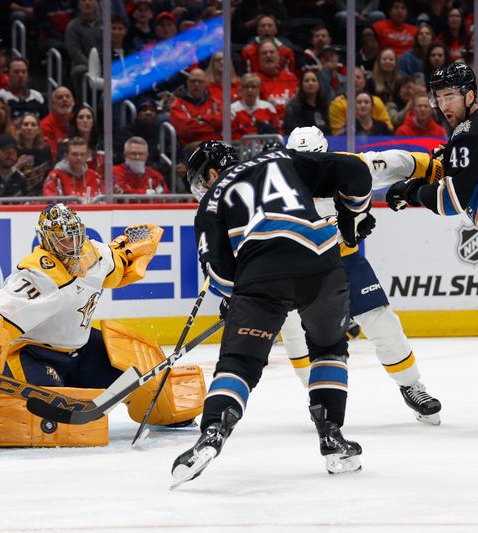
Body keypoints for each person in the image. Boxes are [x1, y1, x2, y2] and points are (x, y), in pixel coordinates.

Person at [170, 140, 375, 488]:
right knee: (329, 349)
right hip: (322, 265)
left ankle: (214, 432)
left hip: (262, 277)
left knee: (239, 364)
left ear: (213, 172)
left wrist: (238, 300)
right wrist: (352, 217)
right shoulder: (281, 159)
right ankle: (332, 437)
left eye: (201, 181)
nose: (201, 189)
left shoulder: (212, 200)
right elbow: (356, 171)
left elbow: (219, 272)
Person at [0, 202, 202, 448]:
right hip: (38, 356)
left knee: (142, 378)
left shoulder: (93, 255)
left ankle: (166, 414)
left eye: (76, 235)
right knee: (48, 413)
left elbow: (118, 263)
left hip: (82, 350)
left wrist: (135, 249)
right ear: (47, 240)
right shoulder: (37, 275)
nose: (73, 244)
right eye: (64, 238)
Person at [284, 126, 443, 425]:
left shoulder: (349, 165)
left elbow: (400, 161)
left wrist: (435, 167)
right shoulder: (275, 182)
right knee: (294, 330)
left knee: (381, 320)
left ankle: (411, 385)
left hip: (343, 260)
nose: (311, 168)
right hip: (296, 267)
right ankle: (316, 394)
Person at [388, 63, 478, 228]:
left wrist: (412, 193)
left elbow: (452, 201)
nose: (444, 106)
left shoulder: (467, 134)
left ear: (470, 96)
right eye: (439, 98)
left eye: (450, 97)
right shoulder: (468, 128)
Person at [329, 67, 393, 134]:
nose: (354, 80)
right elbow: (337, 135)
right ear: (345, 82)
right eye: (351, 78)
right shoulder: (337, 104)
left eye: (358, 77)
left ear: (364, 81)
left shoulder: (376, 101)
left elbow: (389, 128)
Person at [169, 68, 222, 147]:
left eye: (200, 82)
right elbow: (185, 130)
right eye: (193, 81)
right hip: (192, 147)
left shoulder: (215, 103)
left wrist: (201, 118)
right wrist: (211, 125)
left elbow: (222, 123)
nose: (196, 84)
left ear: (205, 83)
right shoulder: (177, 105)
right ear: (187, 82)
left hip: (217, 144)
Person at [0, 57, 48, 126]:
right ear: (8, 75)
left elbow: (45, 122)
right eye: (16, 72)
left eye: (23, 72)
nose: (20, 75)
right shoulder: (0, 97)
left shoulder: (37, 97)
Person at [230, 73, 280, 140]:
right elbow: (232, 136)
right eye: (246, 87)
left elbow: (277, 131)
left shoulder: (268, 107)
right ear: (241, 90)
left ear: (259, 90)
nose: (250, 90)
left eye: (253, 87)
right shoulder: (233, 109)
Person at [15, 112, 53, 196]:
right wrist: (18, 165)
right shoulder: (13, 149)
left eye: (33, 125)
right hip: (18, 193)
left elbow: (50, 174)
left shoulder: (45, 150)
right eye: (26, 124)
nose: (29, 128)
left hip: (40, 194)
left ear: (38, 129)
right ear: (20, 128)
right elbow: (7, 176)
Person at [284, 69, 331, 135]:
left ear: (319, 84)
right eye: (306, 81)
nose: (310, 83)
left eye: (314, 80)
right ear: (301, 85)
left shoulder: (324, 106)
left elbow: (328, 131)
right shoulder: (294, 108)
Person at [40, 86, 74, 158]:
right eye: (60, 97)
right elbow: (53, 155)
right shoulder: (45, 125)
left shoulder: (78, 119)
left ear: (73, 102)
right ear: (53, 104)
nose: (64, 99)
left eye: (67, 97)